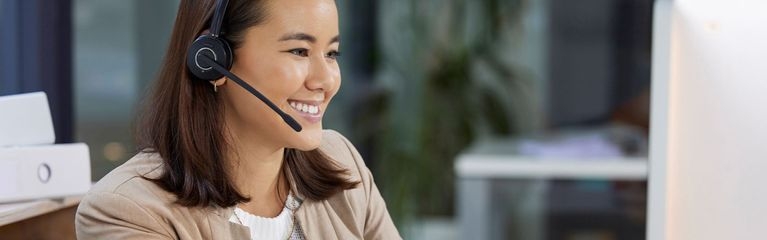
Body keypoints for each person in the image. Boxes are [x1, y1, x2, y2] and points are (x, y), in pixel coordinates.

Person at [75, 0, 401, 239]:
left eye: (331, 54)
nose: (325, 80)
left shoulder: (341, 162)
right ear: (213, 61)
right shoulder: (128, 211)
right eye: (299, 51)